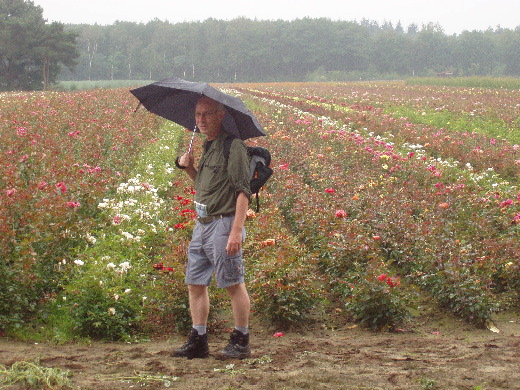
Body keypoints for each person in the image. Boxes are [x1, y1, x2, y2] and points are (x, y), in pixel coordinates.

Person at [172, 96, 252, 360]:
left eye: (207, 114)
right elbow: (205, 188)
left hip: (224, 223)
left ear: (222, 114)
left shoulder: (234, 146)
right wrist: (189, 168)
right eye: (197, 114)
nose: (201, 120)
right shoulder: (209, 146)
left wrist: (236, 231)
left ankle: (241, 340)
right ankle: (199, 340)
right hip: (202, 224)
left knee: (232, 283)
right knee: (195, 283)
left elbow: (243, 192)